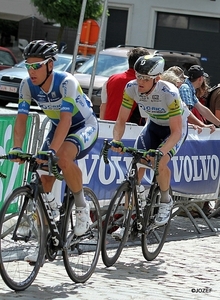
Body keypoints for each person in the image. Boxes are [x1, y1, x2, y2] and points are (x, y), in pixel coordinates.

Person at [9, 40, 99, 261]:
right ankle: (45, 235)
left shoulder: (66, 82)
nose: (32, 71)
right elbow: (21, 119)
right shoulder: (27, 85)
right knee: (43, 176)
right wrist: (17, 147)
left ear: (50, 65)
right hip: (58, 127)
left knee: (62, 158)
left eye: (37, 66)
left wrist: (52, 151)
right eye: (28, 66)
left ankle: (81, 208)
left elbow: (67, 120)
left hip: (83, 126)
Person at [110, 54, 188, 238]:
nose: (141, 82)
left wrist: (160, 151)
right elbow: (121, 119)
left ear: (157, 78)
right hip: (152, 127)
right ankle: (128, 221)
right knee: (136, 168)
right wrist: (117, 140)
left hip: (173, 130)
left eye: (146, 78)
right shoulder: (131, 88)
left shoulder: (169, 92)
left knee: (159, 163)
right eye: (138, 76)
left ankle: (165, 202)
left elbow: (176, 131)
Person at [100, 47, 150, 125]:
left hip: (107, 126)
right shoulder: (144, 83)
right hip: (130, 128)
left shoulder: (111, 79)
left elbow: (103, 106)